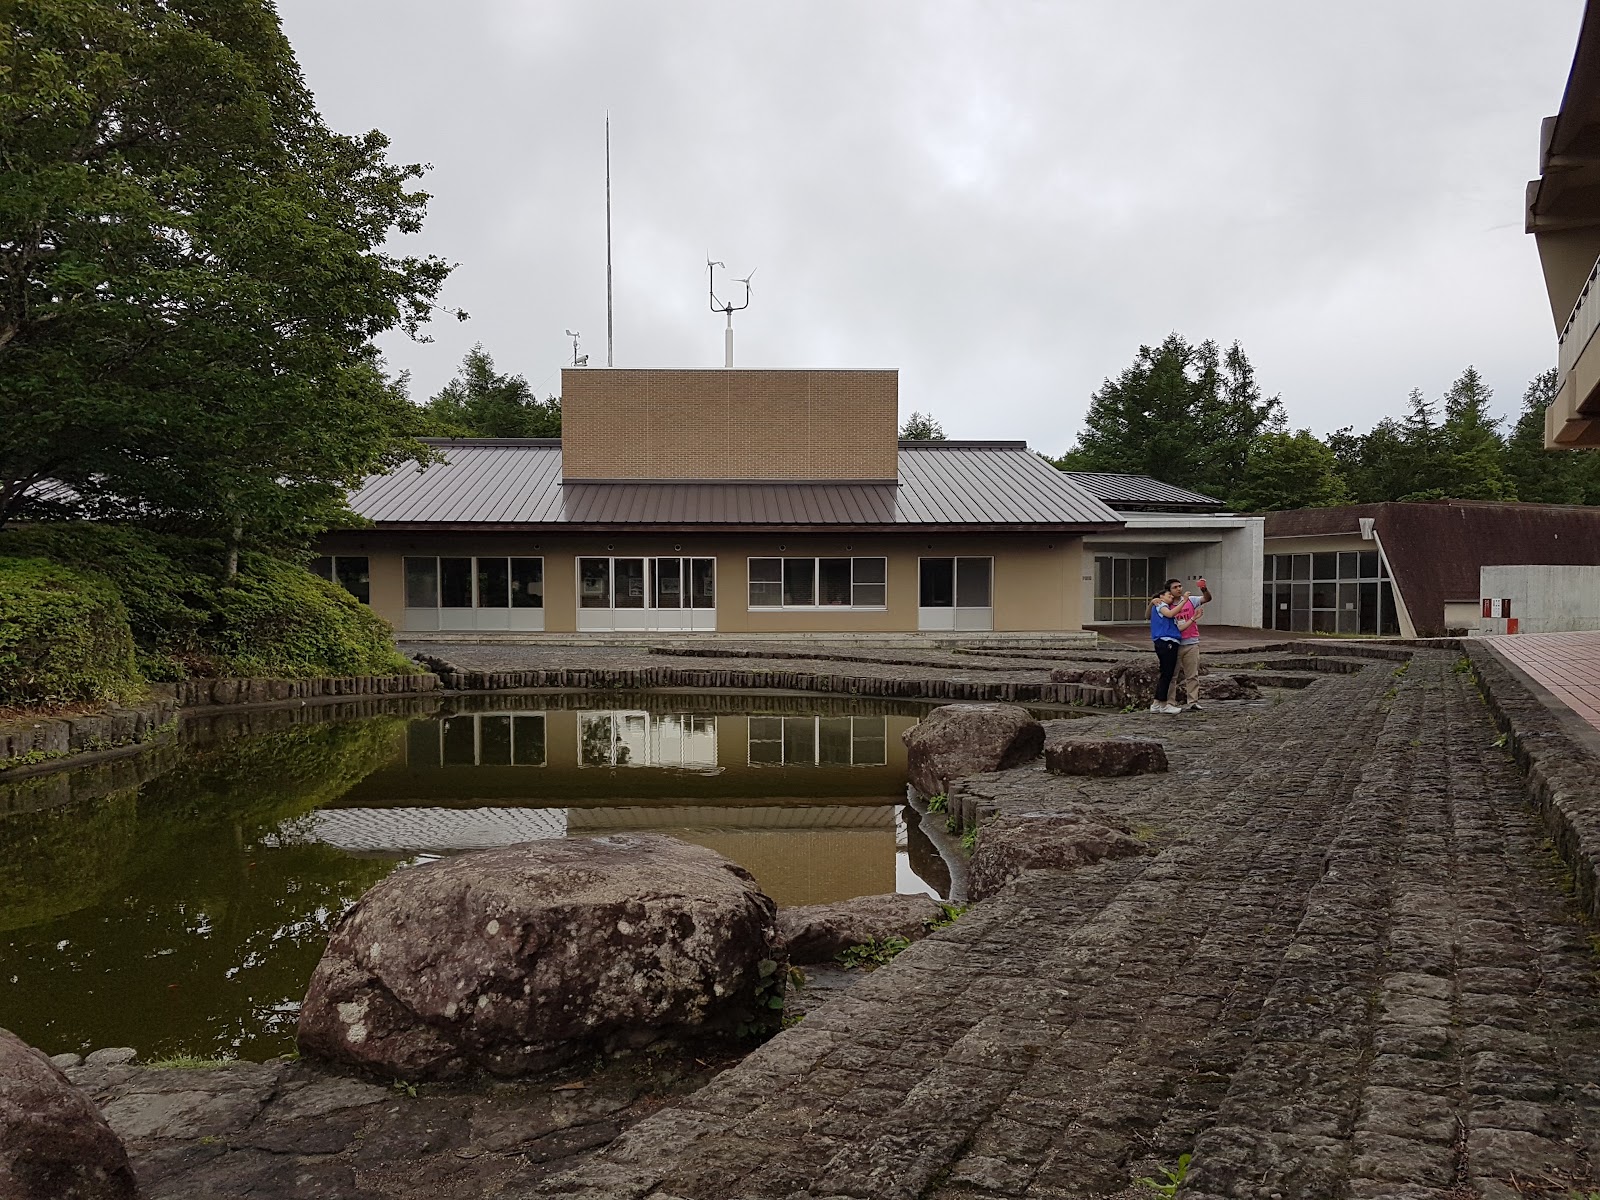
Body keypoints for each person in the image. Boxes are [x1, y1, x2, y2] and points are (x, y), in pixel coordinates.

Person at [1146, 580, 1186, 714]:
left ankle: (1157, 703)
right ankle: (1164, 704)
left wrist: (1192, 619)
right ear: (1161, 596)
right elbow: (1170, 614)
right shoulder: (1161, 605)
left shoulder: (1165, 607)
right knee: (1167, 673)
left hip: (1171, 640)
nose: (1171, 597)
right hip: (1165, 641)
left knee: (1166, 673)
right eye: (1169, 594)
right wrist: (1183, 601)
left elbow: (1177, 625)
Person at [1173, 577, 1213, 711]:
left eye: (1180, 586)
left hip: (1191, 642)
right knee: (1172, 675)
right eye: (1175, 587)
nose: (1179, 589)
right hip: (1174, 643)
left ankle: (1193, 701)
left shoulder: (1191, 600)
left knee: (1192, 675)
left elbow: (1206, 599)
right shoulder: (1167, 604)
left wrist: (1204, 589)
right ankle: (1169, 703)